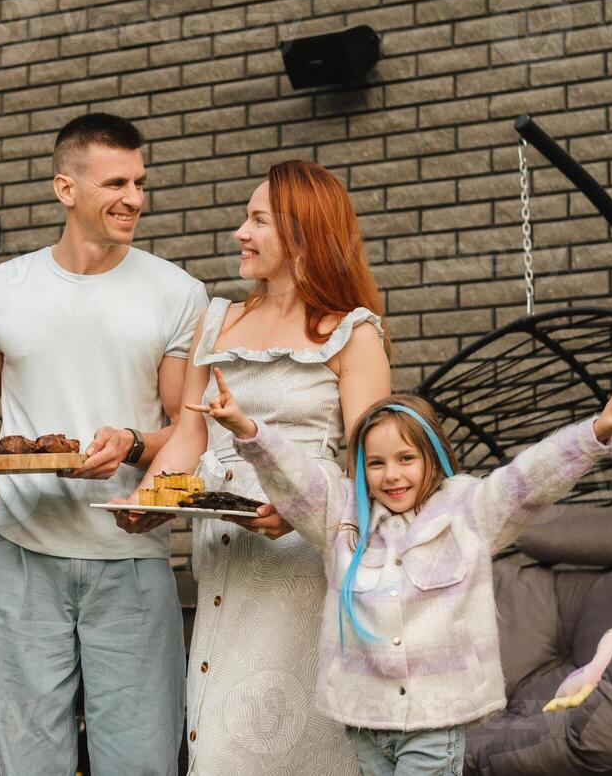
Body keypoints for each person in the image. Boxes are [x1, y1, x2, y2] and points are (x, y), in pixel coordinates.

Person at [0, 113, 208, 776]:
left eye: (140, 181)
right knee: (28, 763)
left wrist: (131, 444)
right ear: (65, 190)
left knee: (140, 764)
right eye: (115, 182)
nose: (134, 197)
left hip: (130, 558)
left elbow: (188, 429)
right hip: (21, 558)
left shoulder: (177, 293)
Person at [198, 371, 612, 775]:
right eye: (376, 463)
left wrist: (593, 433)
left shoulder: (469, 511)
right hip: (364, 723)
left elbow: (529, 479)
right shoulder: (341, 516)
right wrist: (247, 430)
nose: (391, 475)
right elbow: (295, 476)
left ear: (432, 458)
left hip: (435, 721)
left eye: (405, 459)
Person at [116, 160, 388, 775]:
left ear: (303, 235)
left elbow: (370, 466)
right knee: (214, 727)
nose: (240, 232)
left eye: (258, 220)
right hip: (223, 551)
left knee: (259, 744)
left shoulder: (352, 335)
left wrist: (299, 512)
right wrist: (152, 500)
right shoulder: (217, 321)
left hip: (302, 562)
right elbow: (190, 436)